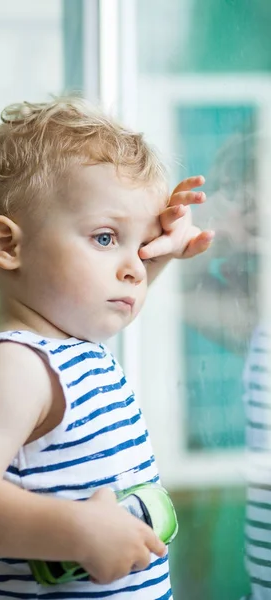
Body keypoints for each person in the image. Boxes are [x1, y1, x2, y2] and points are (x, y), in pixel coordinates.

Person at [0, 97, 214, 600]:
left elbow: (117, 286)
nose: (134, 268)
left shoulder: (74, 348)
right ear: (9, 246)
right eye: (105, 238)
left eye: (141, 245)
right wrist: (78, 530)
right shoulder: (17, 366)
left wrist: (159, 253)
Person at [181, 133, 271, 599]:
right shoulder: (257, 317)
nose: (250, 222)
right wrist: (217, 220)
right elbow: (177, 289)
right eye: (241, 200)